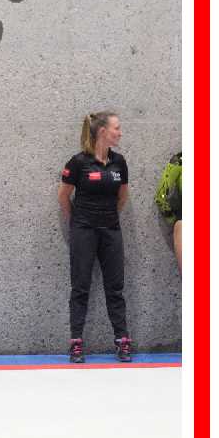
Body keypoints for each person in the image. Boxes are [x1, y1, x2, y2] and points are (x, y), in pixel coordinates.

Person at [58, 112, 131, 363]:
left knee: (115, 287)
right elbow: (63, 197)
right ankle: (76, 343)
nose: (120, 133)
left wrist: (107, 218)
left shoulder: (119, 162)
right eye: (116, 128)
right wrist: (78, 222)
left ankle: (122, 340)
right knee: (80, 287)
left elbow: (123, 196)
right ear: (102, 131)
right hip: (84, 231)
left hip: (111, 230)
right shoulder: (78, 162)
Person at [154, 150, 182, 272]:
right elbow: (161, 197)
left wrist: (174, 220)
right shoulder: (180, 160)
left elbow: (161, 196)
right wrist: (173, 220)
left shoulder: (180, 159)